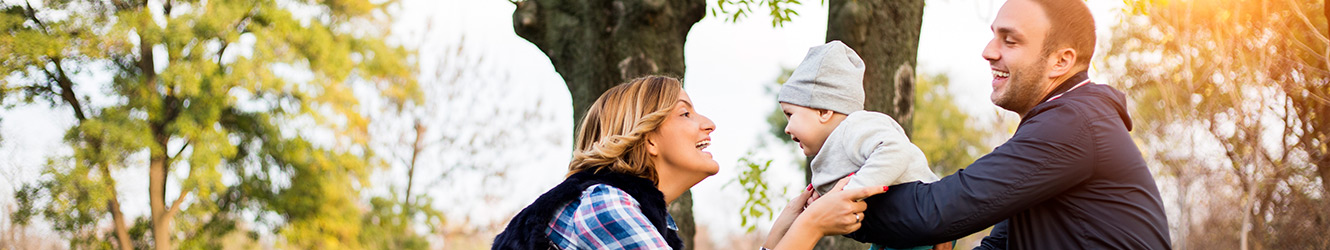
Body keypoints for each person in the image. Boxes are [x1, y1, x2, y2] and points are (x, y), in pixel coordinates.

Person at [817, 0, 1172, 249]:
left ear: (1061, 61)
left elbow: (936, 211)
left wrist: (830, 204)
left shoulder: (1073, 124)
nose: (988, 51)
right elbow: (999, 244)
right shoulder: (1066, 125)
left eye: (1010, 39)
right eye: (994, 35)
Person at [764, 41, 945, 250]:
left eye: (790, 114)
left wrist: (851, 192)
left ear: (824, 111)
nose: (787, 128)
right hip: (896, 231)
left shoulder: (855, 126)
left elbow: (895, 149)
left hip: (920, 216)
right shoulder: (835, 145)